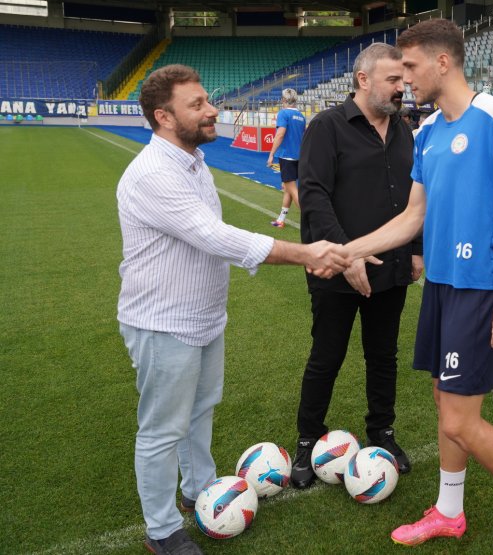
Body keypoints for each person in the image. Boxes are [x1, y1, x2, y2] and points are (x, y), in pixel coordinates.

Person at [335, 19, 493, 554]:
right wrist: (350, 250)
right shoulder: (428, 132)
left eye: (408, 66)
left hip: (484, 290)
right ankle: (450, 512)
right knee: (444, 403)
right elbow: (414, 217)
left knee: (460, 418)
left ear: (441, 62)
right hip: (441, 286)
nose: (403, 77)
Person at [117, 65, 346, 555]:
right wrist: (307, 252)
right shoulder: (155, 172)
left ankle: (197, 489)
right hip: (162, 322)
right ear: (163, 116)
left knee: (198, 412)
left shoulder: (193, 161)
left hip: (201, 318)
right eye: (196, 104)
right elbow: (216, 238)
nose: (212, 110)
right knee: (161, 428)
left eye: (207, 100)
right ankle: (161, 531)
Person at [290, 43, 422, 488]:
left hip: (392, 269)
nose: (401, 87)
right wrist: (347, 254)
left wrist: (417, 247)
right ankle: (308, 441)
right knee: (326, 357)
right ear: (363, 80)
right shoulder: (327, 126)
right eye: (393, 80)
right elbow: (313, 196)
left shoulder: (404, 129)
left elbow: (414, 198)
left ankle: (382, 433)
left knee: (383, 356)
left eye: (403, 80)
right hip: (335, 268)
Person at [267, 88, 307, 228]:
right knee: (288, 188)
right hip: (300, 157)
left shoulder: (283, 113)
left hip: (287, 156)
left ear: (284, 100)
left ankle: (310, 221)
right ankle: (281, 220)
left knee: (292, 189)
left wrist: (271, 154)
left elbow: (280, 134)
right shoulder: (301, 116)